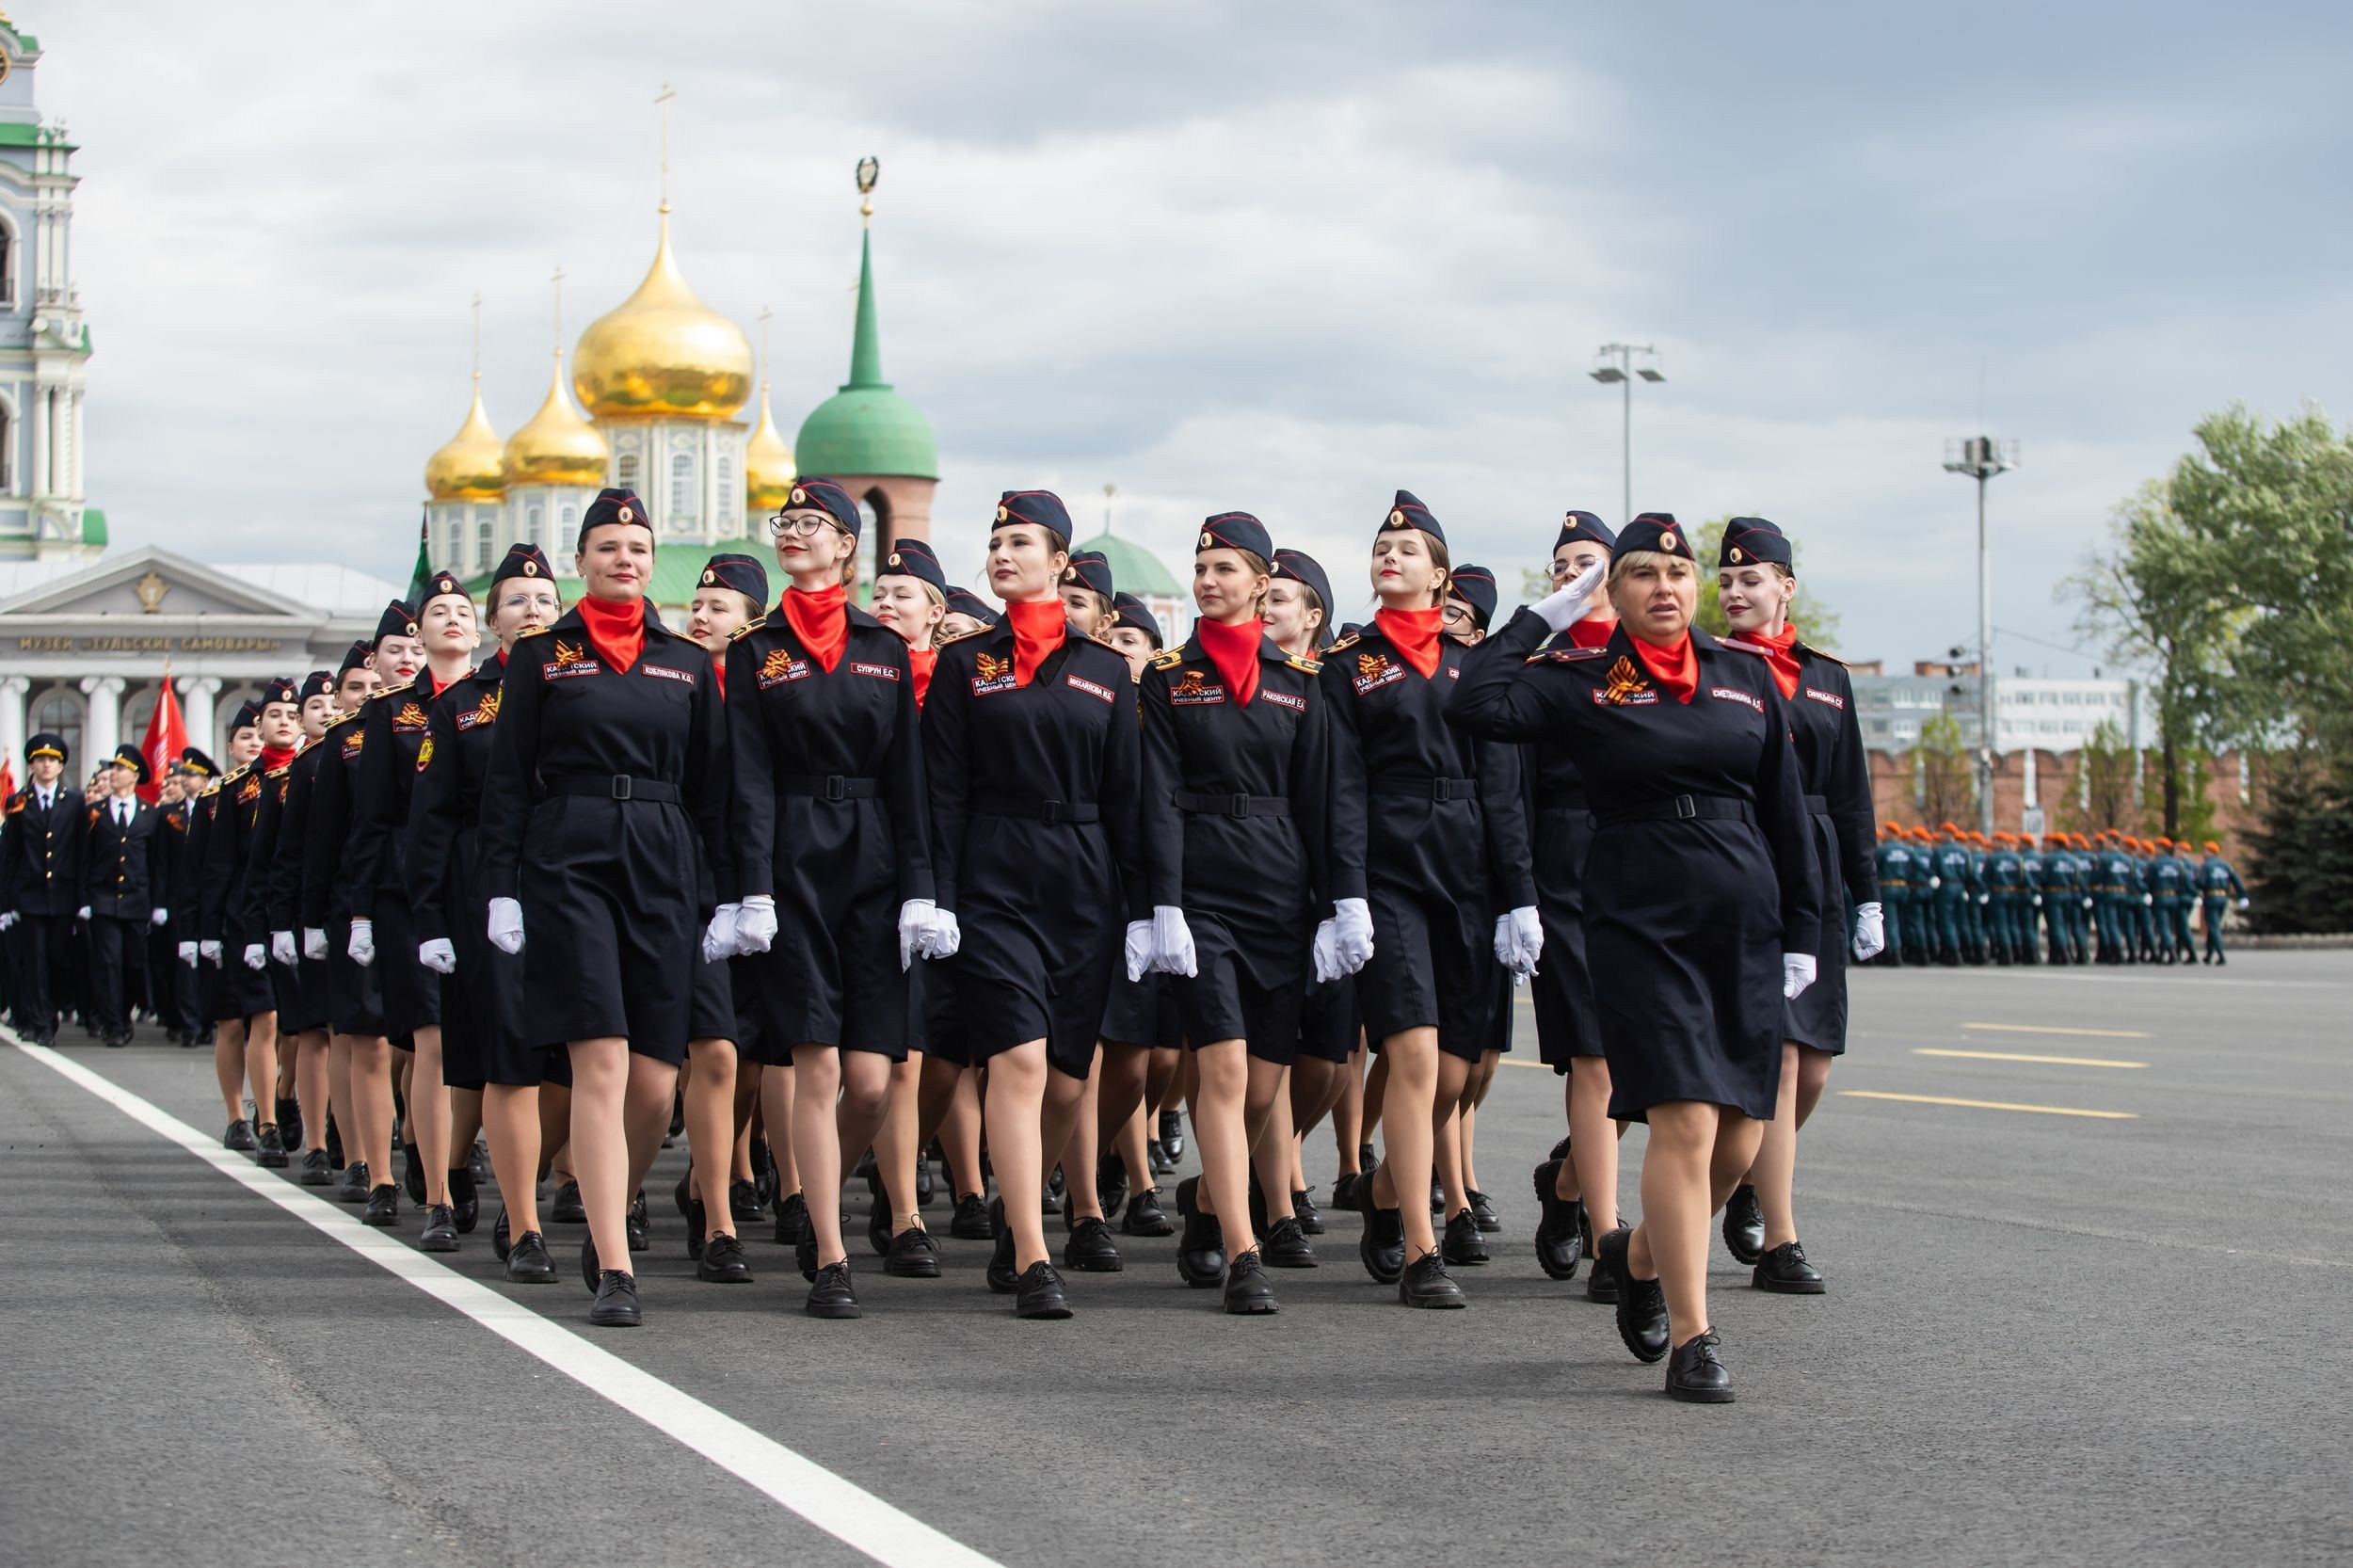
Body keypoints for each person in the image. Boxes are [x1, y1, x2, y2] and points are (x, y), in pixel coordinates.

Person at [1449, 511, 1818, 1402]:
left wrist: (1805, 929)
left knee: (1743, 1134)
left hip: (1741, 917)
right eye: (1641, 573)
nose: (1664, 587)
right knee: (1687, 1120)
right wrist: (1543, 614)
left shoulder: (1744, 677)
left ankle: (1640, 1253)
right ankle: (1695, 1336)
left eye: (1677, 574)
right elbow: (1474, 701)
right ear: (1611, 593)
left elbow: (1788, 811)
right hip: (1637, 917)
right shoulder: (1582, 680)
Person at [478, 488, 729, 1328]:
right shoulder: (543, 657)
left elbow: (714, 790)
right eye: (609, 547)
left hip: (662, 856)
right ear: (581, 560)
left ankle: (606, 1198)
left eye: (638, 549)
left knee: (656, 1086)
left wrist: (727, 893)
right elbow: (507, 780)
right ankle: (615, 1262)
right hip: (569, 854)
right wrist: (502, 890)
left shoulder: (685, 661)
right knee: (603, 1061)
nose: (626, 559)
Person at [923, 488, 1144, 1319]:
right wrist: (935, 896)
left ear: (1061, 562)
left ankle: (1025, 1213)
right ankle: (1031, 1253)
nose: (1003, 554)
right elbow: (940, 789)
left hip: (1084, 879)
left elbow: (1129, 795)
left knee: (1063, 1081)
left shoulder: (1103, 669)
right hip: (994, 872)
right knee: (1015, 1061)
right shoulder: (965, 663)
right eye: (995, 542)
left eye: (1021, 542)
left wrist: (1147, 906)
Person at [726, 485, 945, 1316]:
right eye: (784, 525)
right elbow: (745, 775)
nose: (792, 536)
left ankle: (815, 1185)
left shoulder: (882, 647)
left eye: (810, 525)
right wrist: (750, 888)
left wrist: (921, 888)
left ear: (847, 546)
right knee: (816, 1064)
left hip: (874, 859)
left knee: (873, 1081)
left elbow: (908, 778)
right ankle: (829, 1251)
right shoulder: (757, 649)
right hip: (790, 858)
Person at [1322, 490, 1535, 1309]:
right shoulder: (1351, 665)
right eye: (1383, 546)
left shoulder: (1475, 668)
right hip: (1388, 868)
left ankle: (1383, 1194)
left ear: (1442, 578)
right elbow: (1340, 787)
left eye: (1409, 550)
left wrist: (1520, 897)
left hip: (1469, 871)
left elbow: (1505, 790)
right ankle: (1420, 1247)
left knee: (1455, 1070)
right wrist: (1346, 895)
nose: (1391, 556)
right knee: (1410, 1055)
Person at [1136, 511, 1338, 1312]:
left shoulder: (1301, 683)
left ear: (1263, 582)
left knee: (1263, 1084)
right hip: (1202, 888)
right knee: (1220, 1067)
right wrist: (1164, 903)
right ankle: (1241, 1250)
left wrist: (1335, 903)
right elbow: (1155, 794)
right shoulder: (1167, 674)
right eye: (1201, 566)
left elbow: (1323, 801)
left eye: (1226, 568)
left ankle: (1204, 1204)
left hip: (1280, 890)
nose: (1208, 581)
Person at [1711, 517, 1881, 1295]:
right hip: (1747, 861)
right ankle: (1780, 1240)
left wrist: (1867, 892)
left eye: (1752, 580)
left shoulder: (1826, 678)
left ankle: (1746, 1173)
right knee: (1777, 1057)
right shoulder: (1709, 668)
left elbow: (1850, 798)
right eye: (1727, 581)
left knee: (1812, 1068)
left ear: (1786, 586)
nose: (1737, 592)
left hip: (1814, 868)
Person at [408, 543, 568, 1283]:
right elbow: (431, 820)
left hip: (573, 876)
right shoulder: (461, 705)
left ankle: (509, 1178)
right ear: (493, 621)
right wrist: (432, 920)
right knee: (503, 1054)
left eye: (544, 600)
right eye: (516, 602)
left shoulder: (584, 685)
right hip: (485, 883)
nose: (532, 611)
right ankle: (520, 1221)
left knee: (571, 1057)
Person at [349, 570, 482, 1251]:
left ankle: (458, 1161)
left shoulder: (504, 698)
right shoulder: (391, 712)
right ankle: (434, 1193)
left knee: (479, 1041)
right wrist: (363, 913)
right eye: (438, 612)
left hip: (485, 883)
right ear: (419, 633)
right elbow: (371, 820)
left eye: (463, 610)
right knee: (430, 1038)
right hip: (411, 893)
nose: (453, 620)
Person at [1518, 512, 1625, 1297]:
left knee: (1640, 1064)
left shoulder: (1662, 660)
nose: (1572, 576)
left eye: (1587, 562)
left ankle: (1564, 1185)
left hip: (1649, 864)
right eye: (1561, 567)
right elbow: (1511, 789)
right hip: (1562, 862)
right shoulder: (1538, 667)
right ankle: (1606, 1240)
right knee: (1593, 1056)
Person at [675, 549, 768, 1287]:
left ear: (751, 624)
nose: (701, 617)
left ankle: (724, 1178)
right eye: (697, 606)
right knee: (705, 1051)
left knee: (750, 1052)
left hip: (760, 885)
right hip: (684, 883)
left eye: (718, 608)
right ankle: (717, 1213)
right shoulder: (669, 681)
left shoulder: (766, 689)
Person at [304, 632, 394, 1208]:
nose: (365, 694)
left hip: (414, 894)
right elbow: (320, 841)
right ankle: (362, 1156)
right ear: (339, 697)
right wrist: (313, 918)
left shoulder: (425, 723)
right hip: (352, 902)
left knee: (417, 1042)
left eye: (370, 685)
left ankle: (427, 1150)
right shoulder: (340, 747)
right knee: (365, 1038)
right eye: (354, 687)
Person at [245, 673, 338, 1182]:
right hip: (300, 919)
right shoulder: (285, 780)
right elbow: (272, 862)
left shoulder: (362, 760)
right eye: (315, 704)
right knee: (307, 1032)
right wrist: (277, 927)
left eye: (333, 702)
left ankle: (316, 1113)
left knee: (334, 1032)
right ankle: (318, 1144)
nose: (326, 711)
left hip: (345, 911)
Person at [202, 699, 284, 1161]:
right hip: (238, 917)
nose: (256, 743)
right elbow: (211, 867)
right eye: (248, 736)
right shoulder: (227, 794)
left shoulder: (296, 779)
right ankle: (245, 1117)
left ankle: (275, 1113)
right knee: (240, 1018)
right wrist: (204, 930)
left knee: (276, 1021)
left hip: (282, 912)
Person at [2, 731, 86, 1048]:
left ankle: (48, 1014)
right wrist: (7, 902)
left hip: (63, 896)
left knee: (57, 961)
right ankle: (38, 1022)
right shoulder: (18, 802)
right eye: (40, 760)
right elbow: (11, 854)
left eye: (52, 760)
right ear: (32, 766)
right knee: (32, 961)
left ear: (61, 765)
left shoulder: (75, 802)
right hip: (30, 895)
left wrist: (81, 898)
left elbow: (81, 853)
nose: (46, 765)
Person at [80, 744, 167, 1049]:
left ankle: (123, 1012)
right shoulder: (95, 812)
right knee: (108, 962)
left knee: (132, 963)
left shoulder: (150, 815)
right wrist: (84, 900)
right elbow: (84, 858)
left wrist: (158, 903)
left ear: (133, 776)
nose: (113, 773)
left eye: (120, 769)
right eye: (113, 768)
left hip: (137, 901)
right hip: (103, 900)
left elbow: (157, 863)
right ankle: (113, 1024)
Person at [150, 761, 203, 1047]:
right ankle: (188, 1023)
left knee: (207, 963)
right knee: (181, 964)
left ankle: (206, 1020)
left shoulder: (217, 806)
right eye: (184, 775)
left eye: (191, 775)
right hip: (177, 899)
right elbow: (160, 862)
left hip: (209, 898)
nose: (185, 779)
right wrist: (159, 903)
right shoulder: (169, 814)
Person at [2196, 840, 2249, 964]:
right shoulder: (2226, 865)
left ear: (2211, 852)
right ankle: (2209, 955)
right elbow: (2236, 880)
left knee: (2213, 926)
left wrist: (2196, 883)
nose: (2203, 853)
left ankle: (2220, 954)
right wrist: (2242, 896)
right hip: (2223, 898)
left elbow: (2200, 883)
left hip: (2211, 898)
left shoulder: (2206, 866)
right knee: (2213, 925)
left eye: (2205, 850)